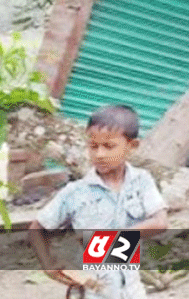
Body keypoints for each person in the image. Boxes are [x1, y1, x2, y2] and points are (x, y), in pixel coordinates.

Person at [30, 104, 168, 299]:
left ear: (132, 146)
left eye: (109, 146)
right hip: (91, 290)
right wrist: (48, 264)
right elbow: (37, 228)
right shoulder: (75, 193)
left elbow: (160, 222)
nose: (99, 154)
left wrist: (109, 240)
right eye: (93, 146)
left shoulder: (141, 181)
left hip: (131, 289)